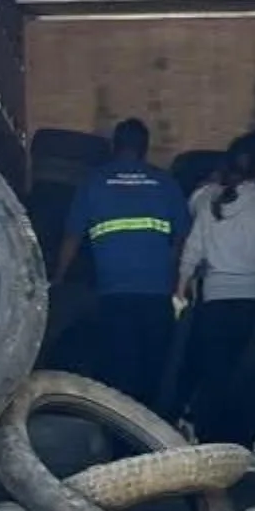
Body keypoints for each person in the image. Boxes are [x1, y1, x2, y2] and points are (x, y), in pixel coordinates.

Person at [55, 118, 192, 409]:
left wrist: (58, 279)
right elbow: (182, 239)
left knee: (118, 376)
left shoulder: (93, 182)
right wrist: (171, 274)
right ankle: (156, 441)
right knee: (153, 374)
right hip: (156, 296)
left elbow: (72, 237)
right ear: (145, 149)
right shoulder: (166, 183)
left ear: (115, 147)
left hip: (113, 295)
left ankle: (119, 442)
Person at [174, 142, 255, 457]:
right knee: (249, 377)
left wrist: (181, 288)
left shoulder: (207, 201)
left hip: (215, 299)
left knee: (214, 373)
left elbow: (193, 249)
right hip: (253, 299)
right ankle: (244, 446)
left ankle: (211, 444)